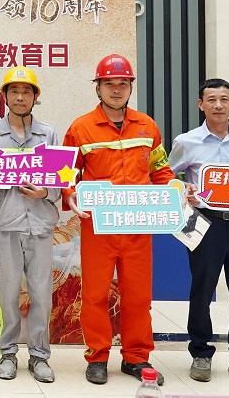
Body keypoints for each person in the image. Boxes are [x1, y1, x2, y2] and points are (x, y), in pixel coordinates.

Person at [62, 53, 174, 386]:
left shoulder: (147, 126)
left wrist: (176, 190)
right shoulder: (81, 128)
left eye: (122, 83)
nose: (116, 89)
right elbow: (67, 172)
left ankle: (136, 357)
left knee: (138, 295)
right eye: (109, 83)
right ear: (98, 87)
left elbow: (160, 170)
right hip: (98, 226)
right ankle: (97, 357)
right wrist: (69, 193)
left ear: (130, 87)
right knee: (95, 294)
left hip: (138, 227)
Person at [170, 78, 229, 386]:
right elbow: (165, 177)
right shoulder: (187, 141)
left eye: (224, 99)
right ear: (201, 104)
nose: (218, 105)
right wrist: (183, 187)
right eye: (211, 99)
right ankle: (201, 353)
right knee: (201, 290)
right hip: (204, 224)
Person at [0, 67, 58, 383]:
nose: (20, 97)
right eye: (14, 91)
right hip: (5, 225)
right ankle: (8, 352)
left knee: (42, 294)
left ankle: (39, 356)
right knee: (7, 294)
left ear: (35, 97)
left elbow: (60, 181)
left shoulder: (48, 134)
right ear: (5, 96)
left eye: (26, 91)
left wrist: (45, 192)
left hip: (40, 226)